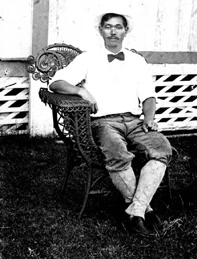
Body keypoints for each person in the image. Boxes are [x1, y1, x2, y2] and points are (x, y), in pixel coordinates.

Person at [49, 12, 172, 236]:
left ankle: (136, 213)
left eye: (118, 27)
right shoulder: (88, 58)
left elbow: (149, 96)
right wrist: (79, 90)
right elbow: (55, 82)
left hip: (135, 121)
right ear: (101, 30)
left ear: (126, 31)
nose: (113, 31)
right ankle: (145, 210)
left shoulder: (137, 61)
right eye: (108, 27)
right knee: (116, 152)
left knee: (162, 148)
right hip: (104, 122)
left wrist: (149, 119)